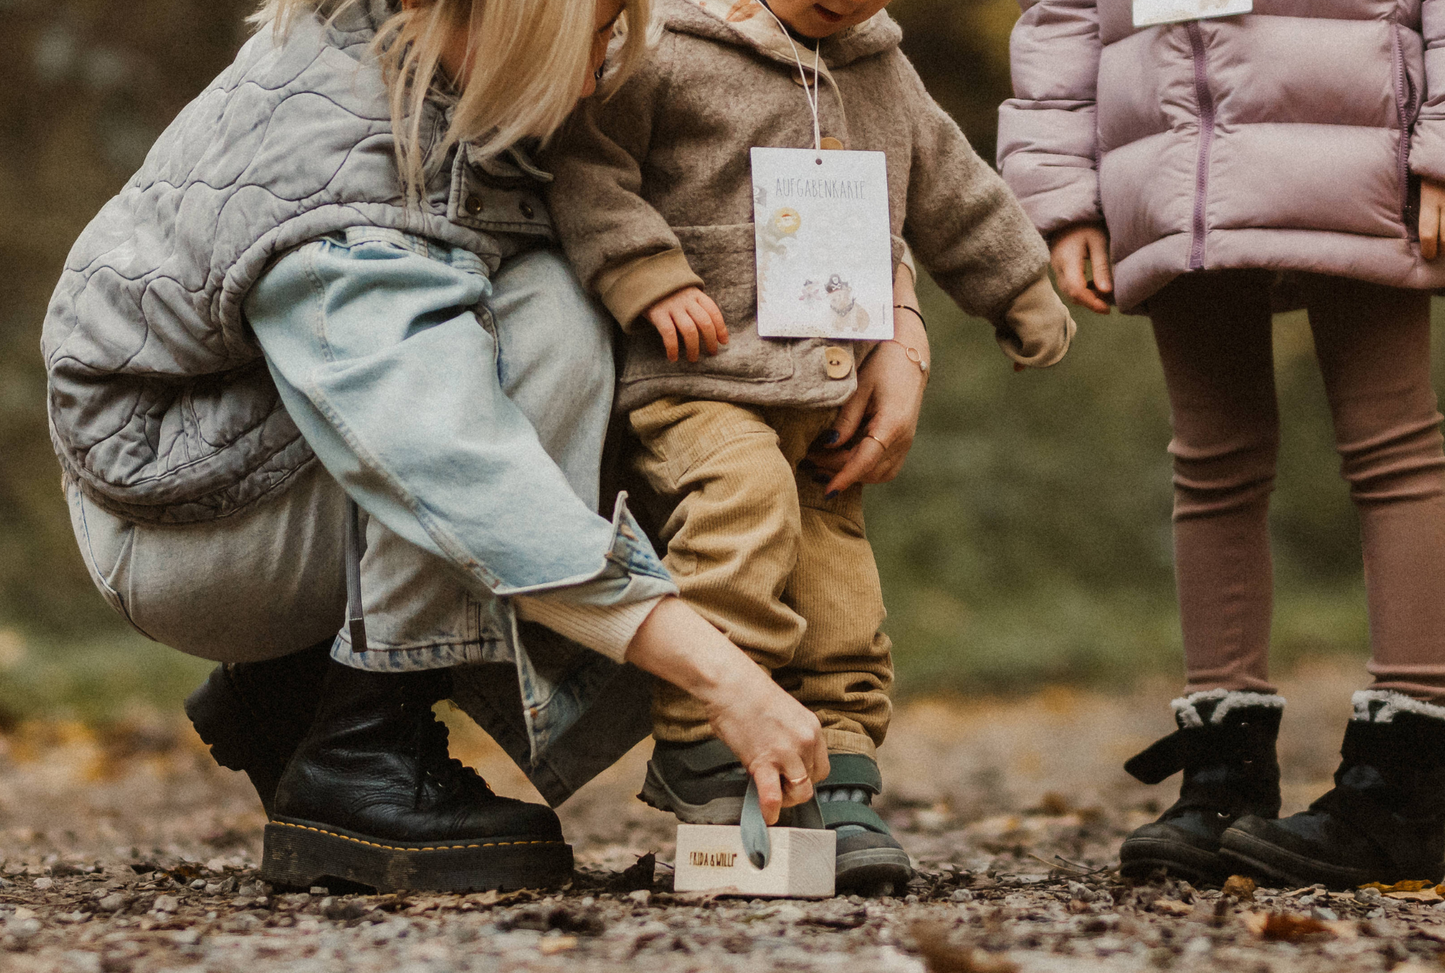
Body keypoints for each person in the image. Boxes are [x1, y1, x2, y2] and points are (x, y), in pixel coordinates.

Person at [43, 0, 830, 896]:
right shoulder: (341, 164)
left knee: (576, 301)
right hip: (189, 524)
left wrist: (892, 330)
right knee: (547, 339)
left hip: (259, 459)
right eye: (592, 29)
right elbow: (451, 461)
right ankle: (359, 757)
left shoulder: (422, 56)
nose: (599, 67)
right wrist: (722, 674)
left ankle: (300, 699)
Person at [549, 0, 1074, 893]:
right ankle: (704, 729)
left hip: (823, 389)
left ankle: (836, 765)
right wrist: (644, 273)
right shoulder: (667, 45)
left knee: (841, 581)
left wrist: (1021, 288)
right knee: (745, 502)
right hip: (699, 379)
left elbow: (956, 188)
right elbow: (589, 166)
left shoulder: (877, 69)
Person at [1001, 0, 1445, 888]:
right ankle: (1223, 771)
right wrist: (1062, 195)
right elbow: (1057, 14)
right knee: (1211, 457)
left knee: (1391, 446)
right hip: (1172, 162)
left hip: (1362, 143)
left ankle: (1410, 778)